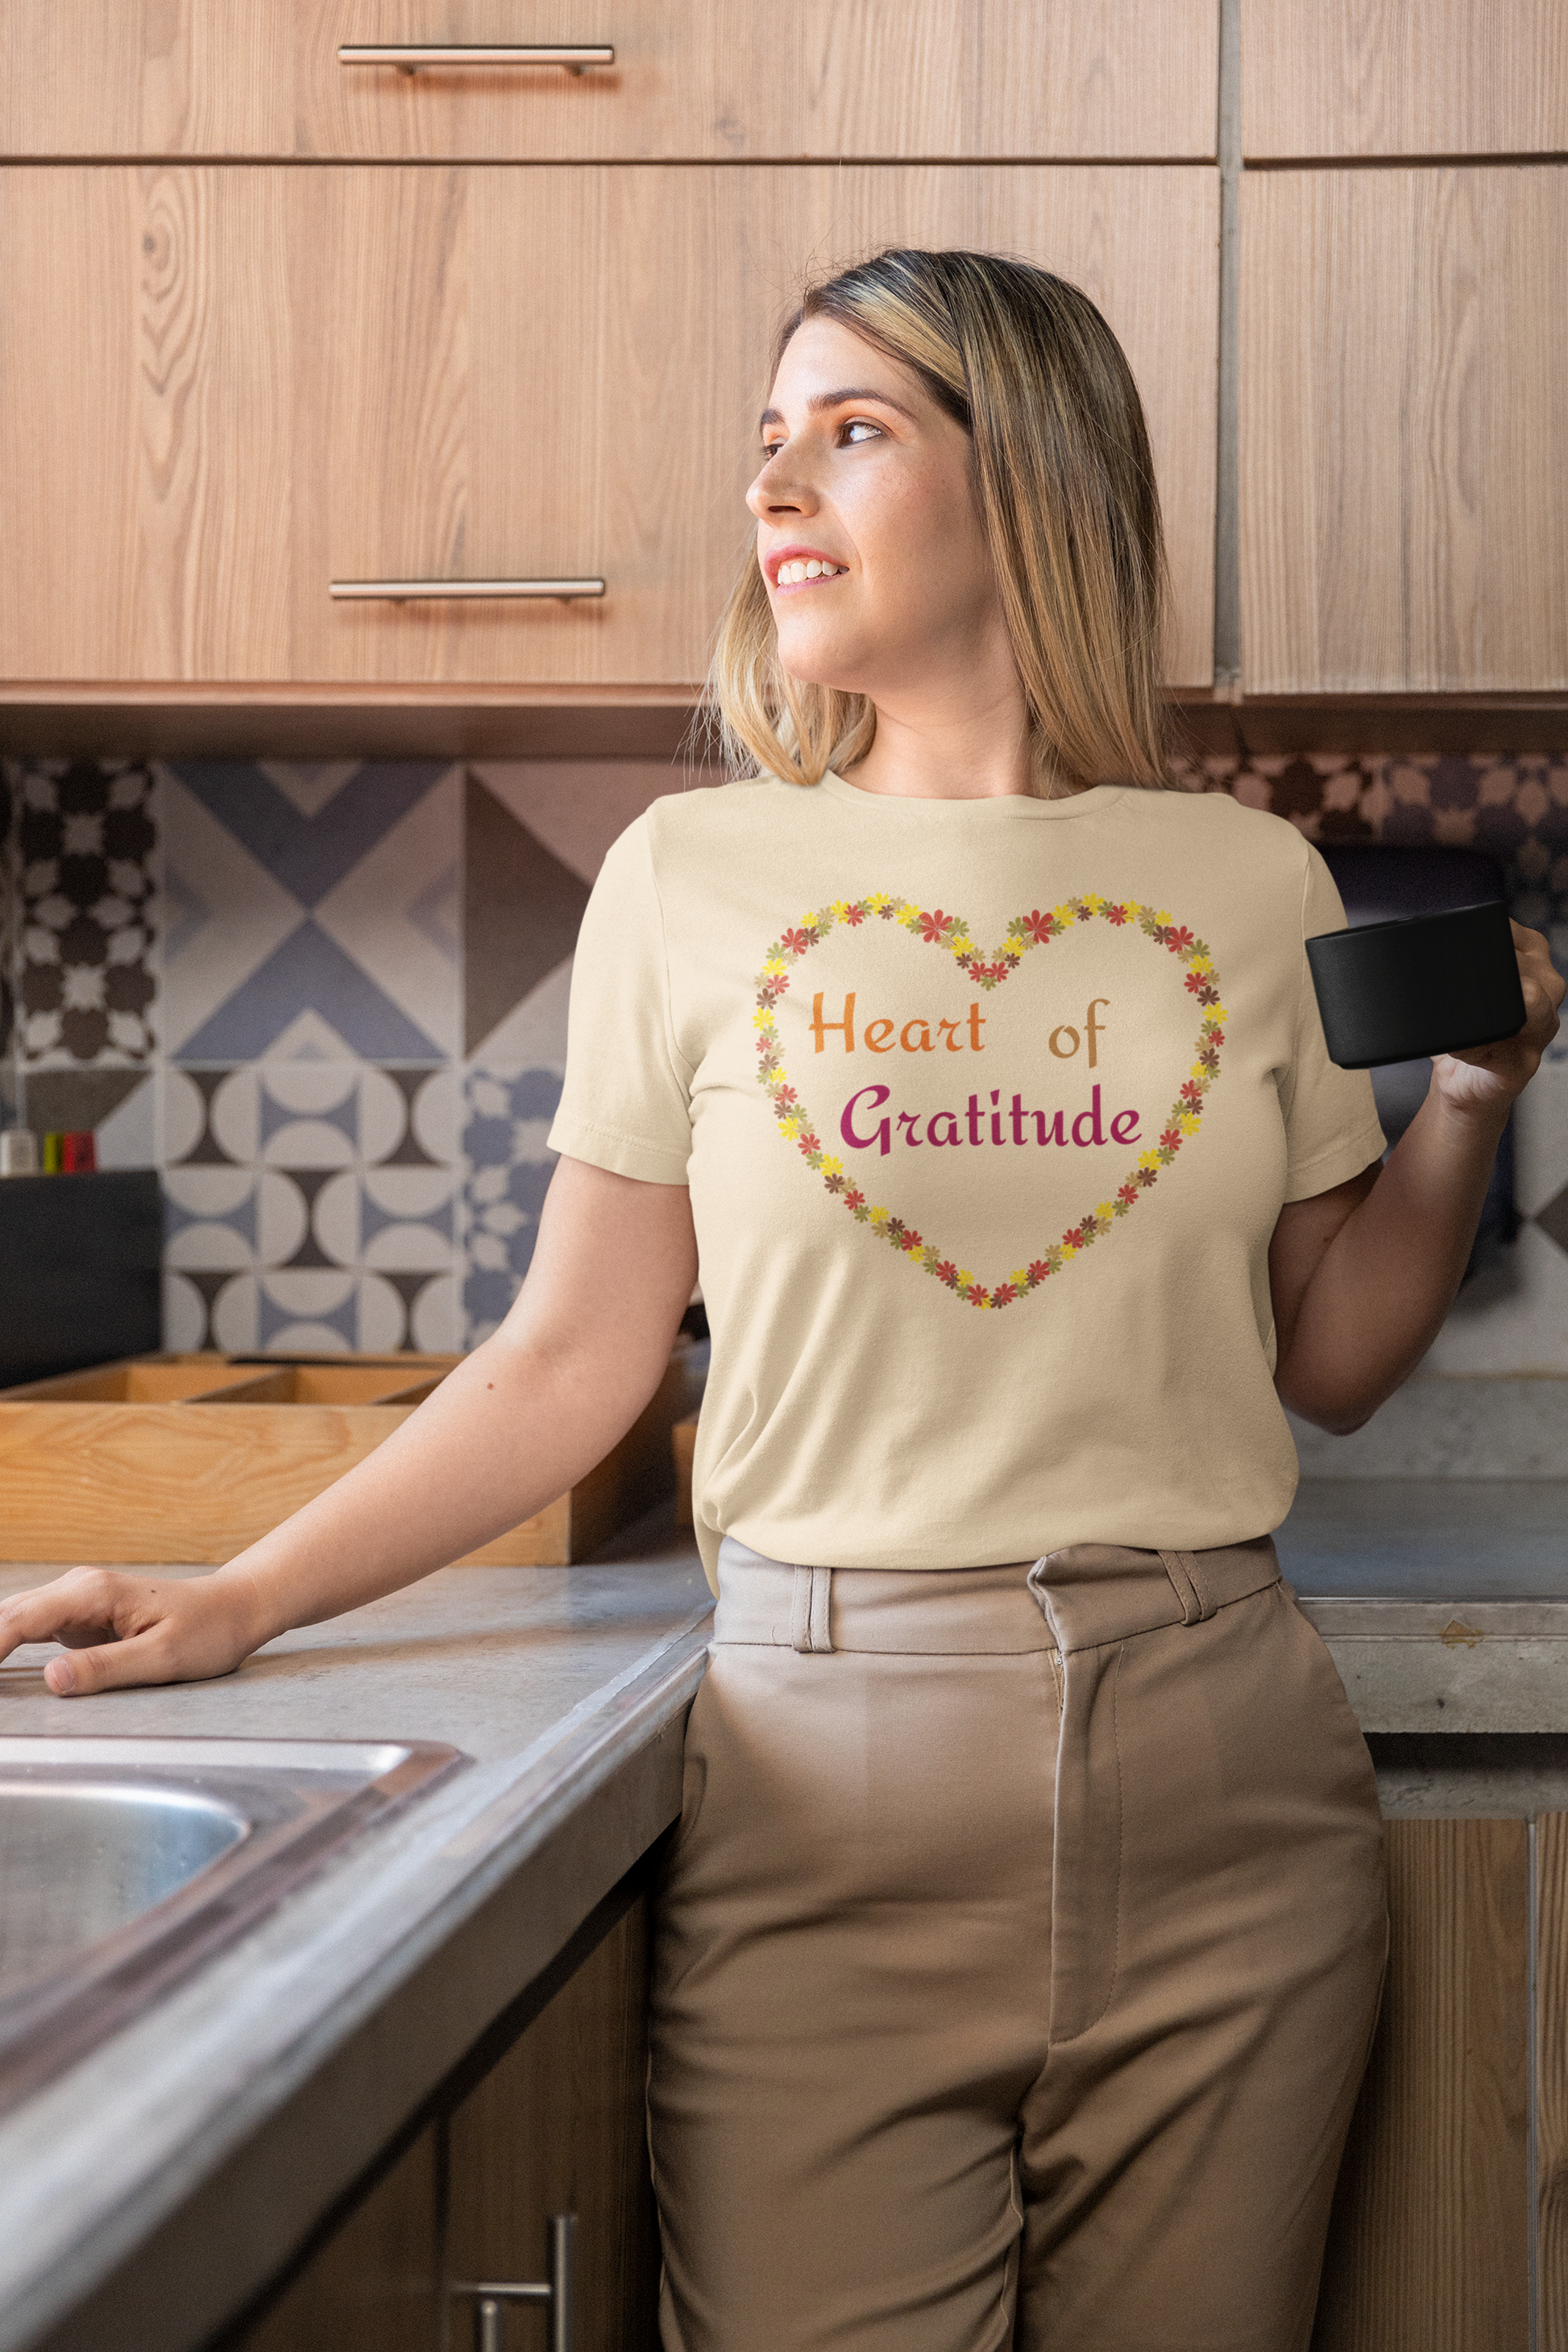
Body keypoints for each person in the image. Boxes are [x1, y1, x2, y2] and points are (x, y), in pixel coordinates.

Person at [1, 248, 1561, 2351]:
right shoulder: (688, 878)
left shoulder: (1247, 882)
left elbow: (1340, 1360)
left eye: (853, 430)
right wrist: (238, 1593)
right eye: (767, 441)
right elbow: (571, 1362)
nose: (776, 489)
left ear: (1036, 482)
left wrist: (1469, 1097)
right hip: (831, 1780)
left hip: (1229, 1779)